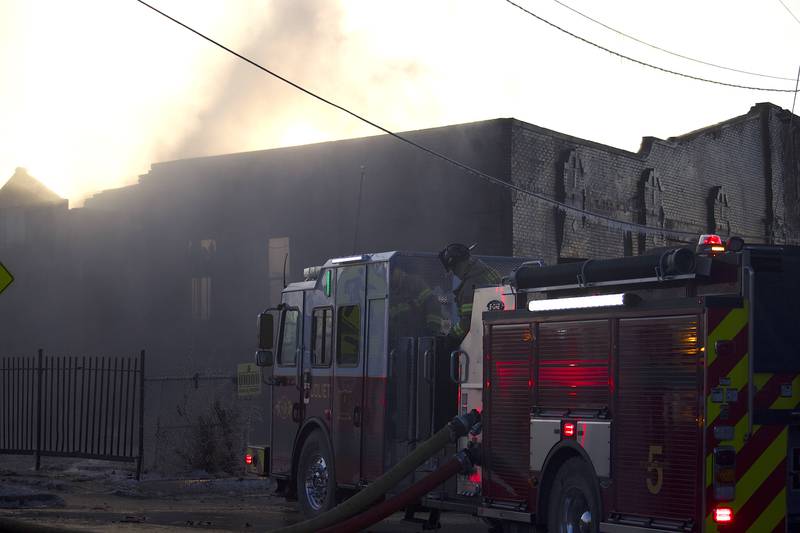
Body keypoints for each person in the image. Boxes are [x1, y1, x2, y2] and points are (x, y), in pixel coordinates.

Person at [438, 243, 502, 343]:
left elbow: (468, 322)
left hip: (478, 339)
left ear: (459, 264)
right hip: (496, 331)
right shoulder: (489, 272)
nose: (455, 273)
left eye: (453, 269)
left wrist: (451, 337)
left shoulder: (469, 286)